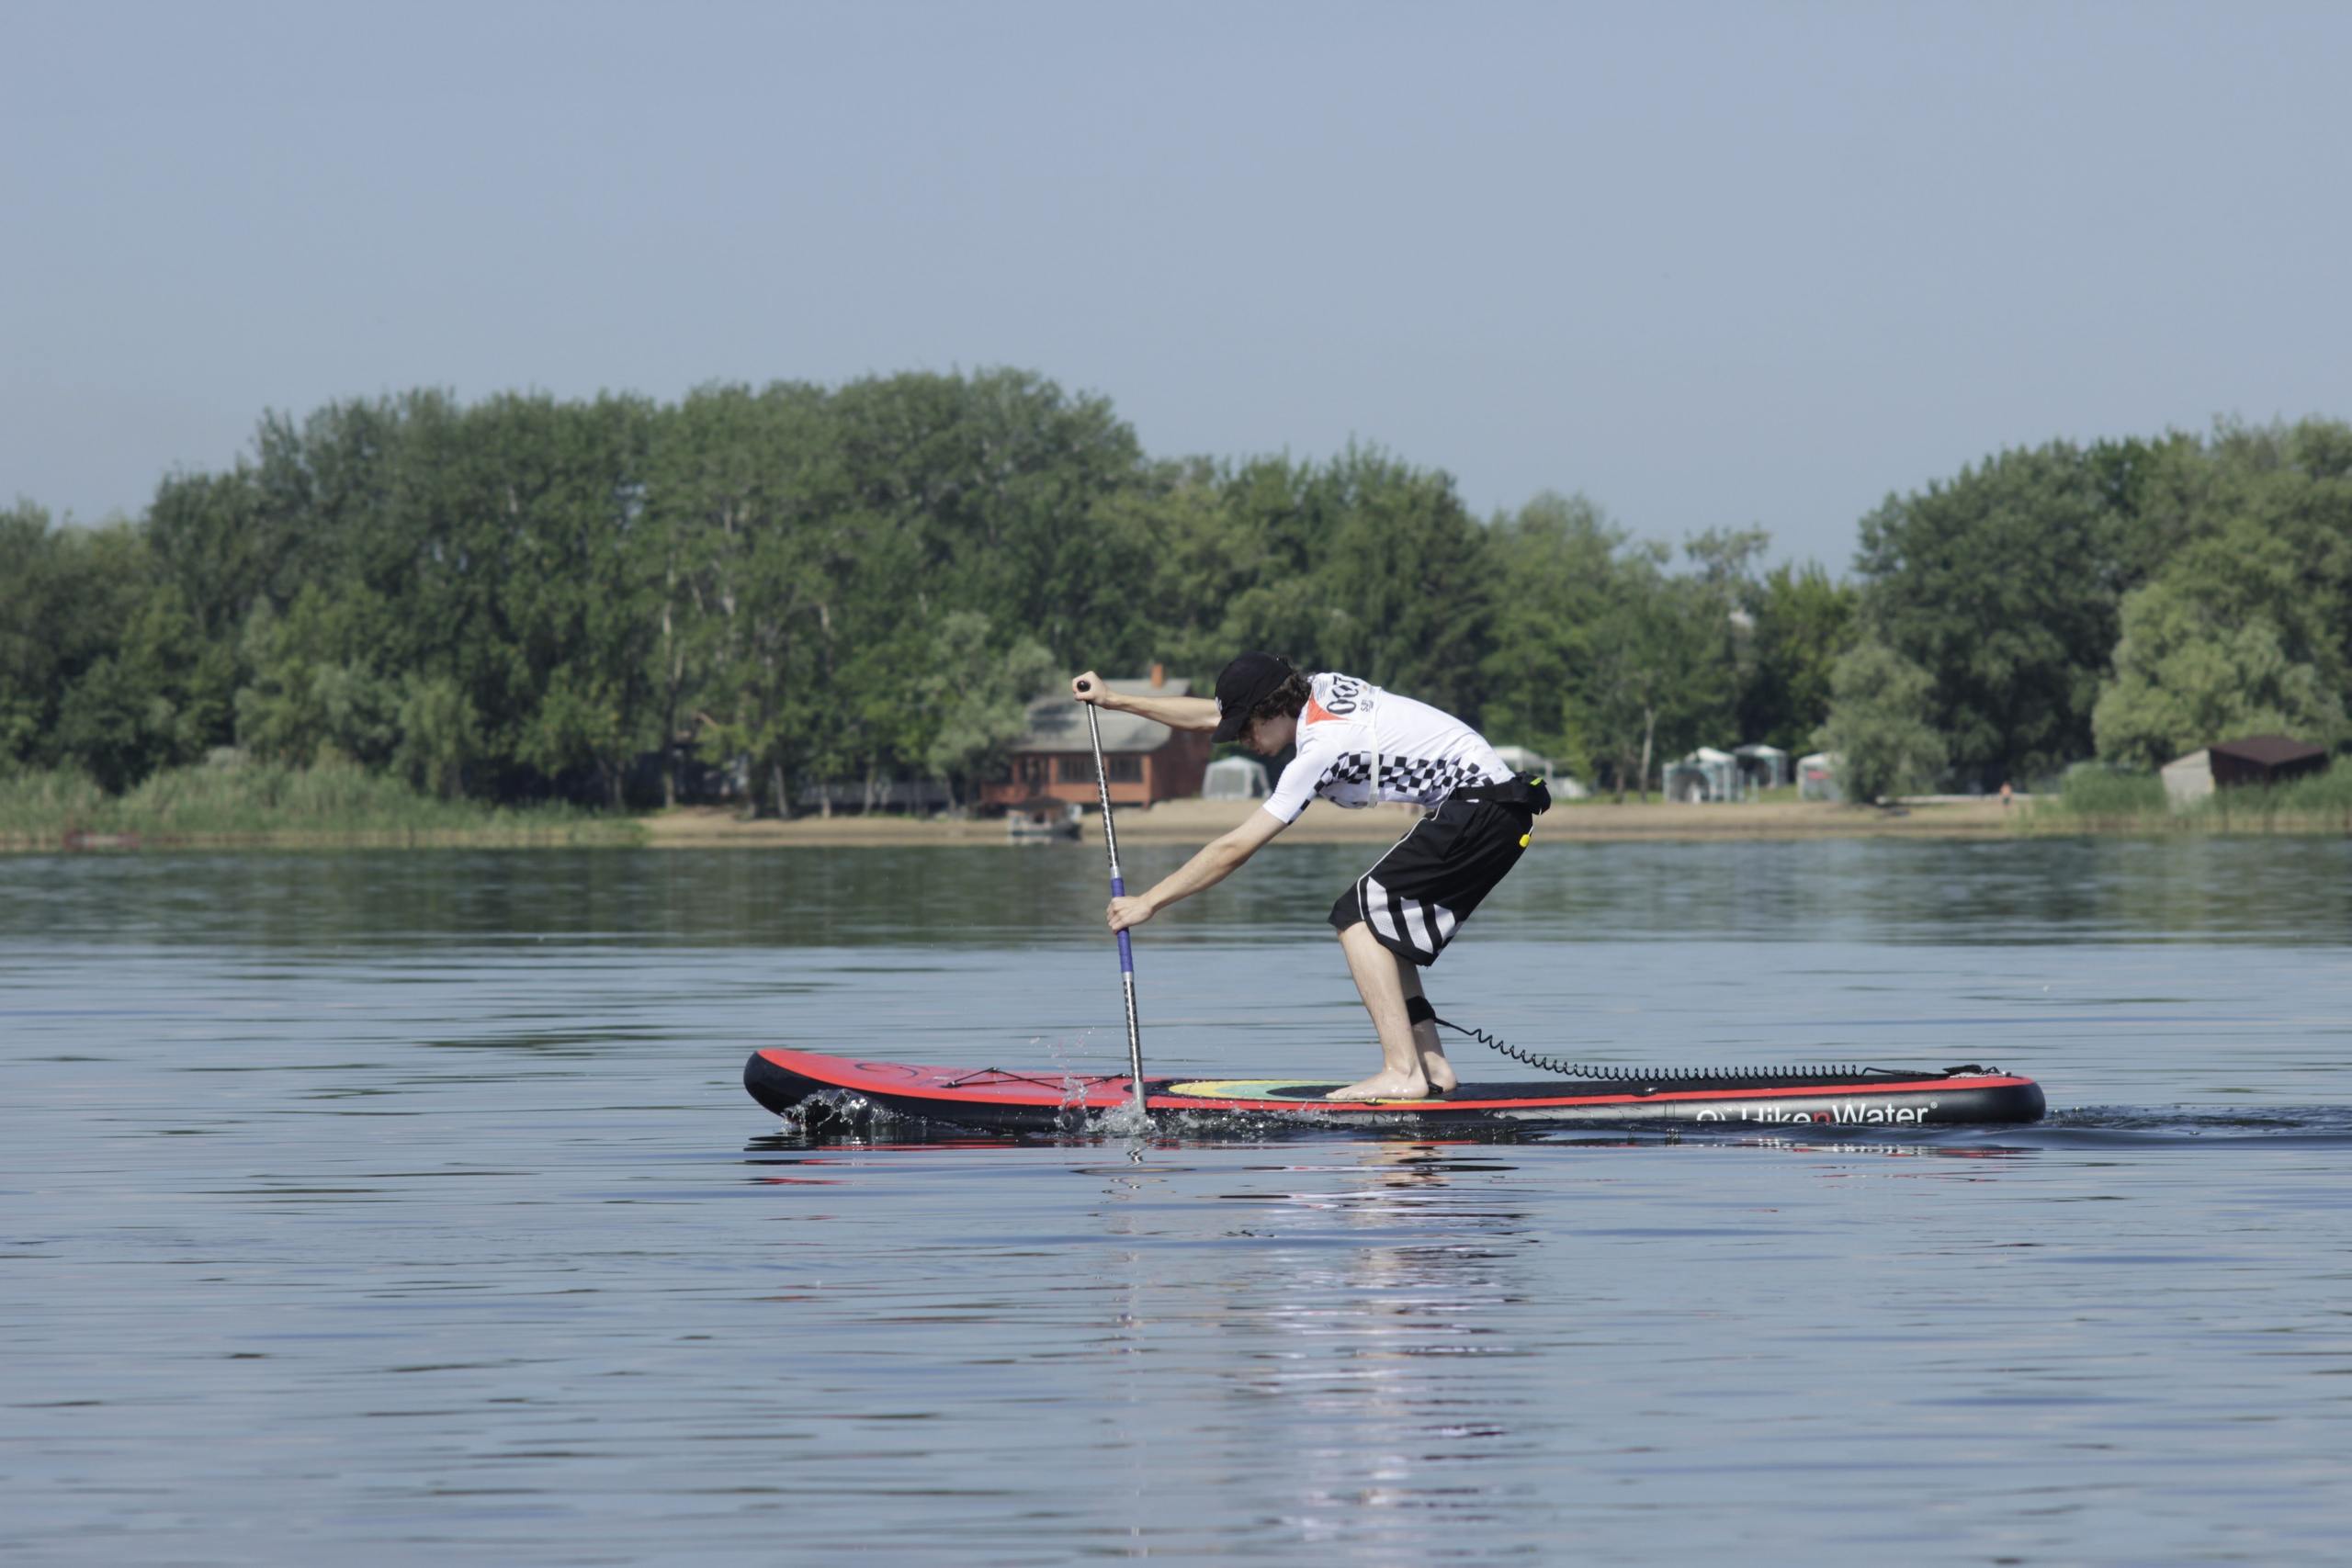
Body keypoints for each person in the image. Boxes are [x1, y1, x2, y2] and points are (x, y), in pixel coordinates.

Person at [1071, 652, 1547, 1100]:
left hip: (1484, 809)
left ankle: (1402, 1072)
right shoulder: (1309, 692)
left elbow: (1234, 848)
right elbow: (1209, 715)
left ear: (1270, 710)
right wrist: (1114, 700)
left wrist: (1148, 902)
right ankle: (1429, 1069)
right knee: (1381, 926)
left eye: (1245, 728)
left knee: (1357, 917)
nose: (1242, 739)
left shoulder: (1323, 747)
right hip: (1490, 810)